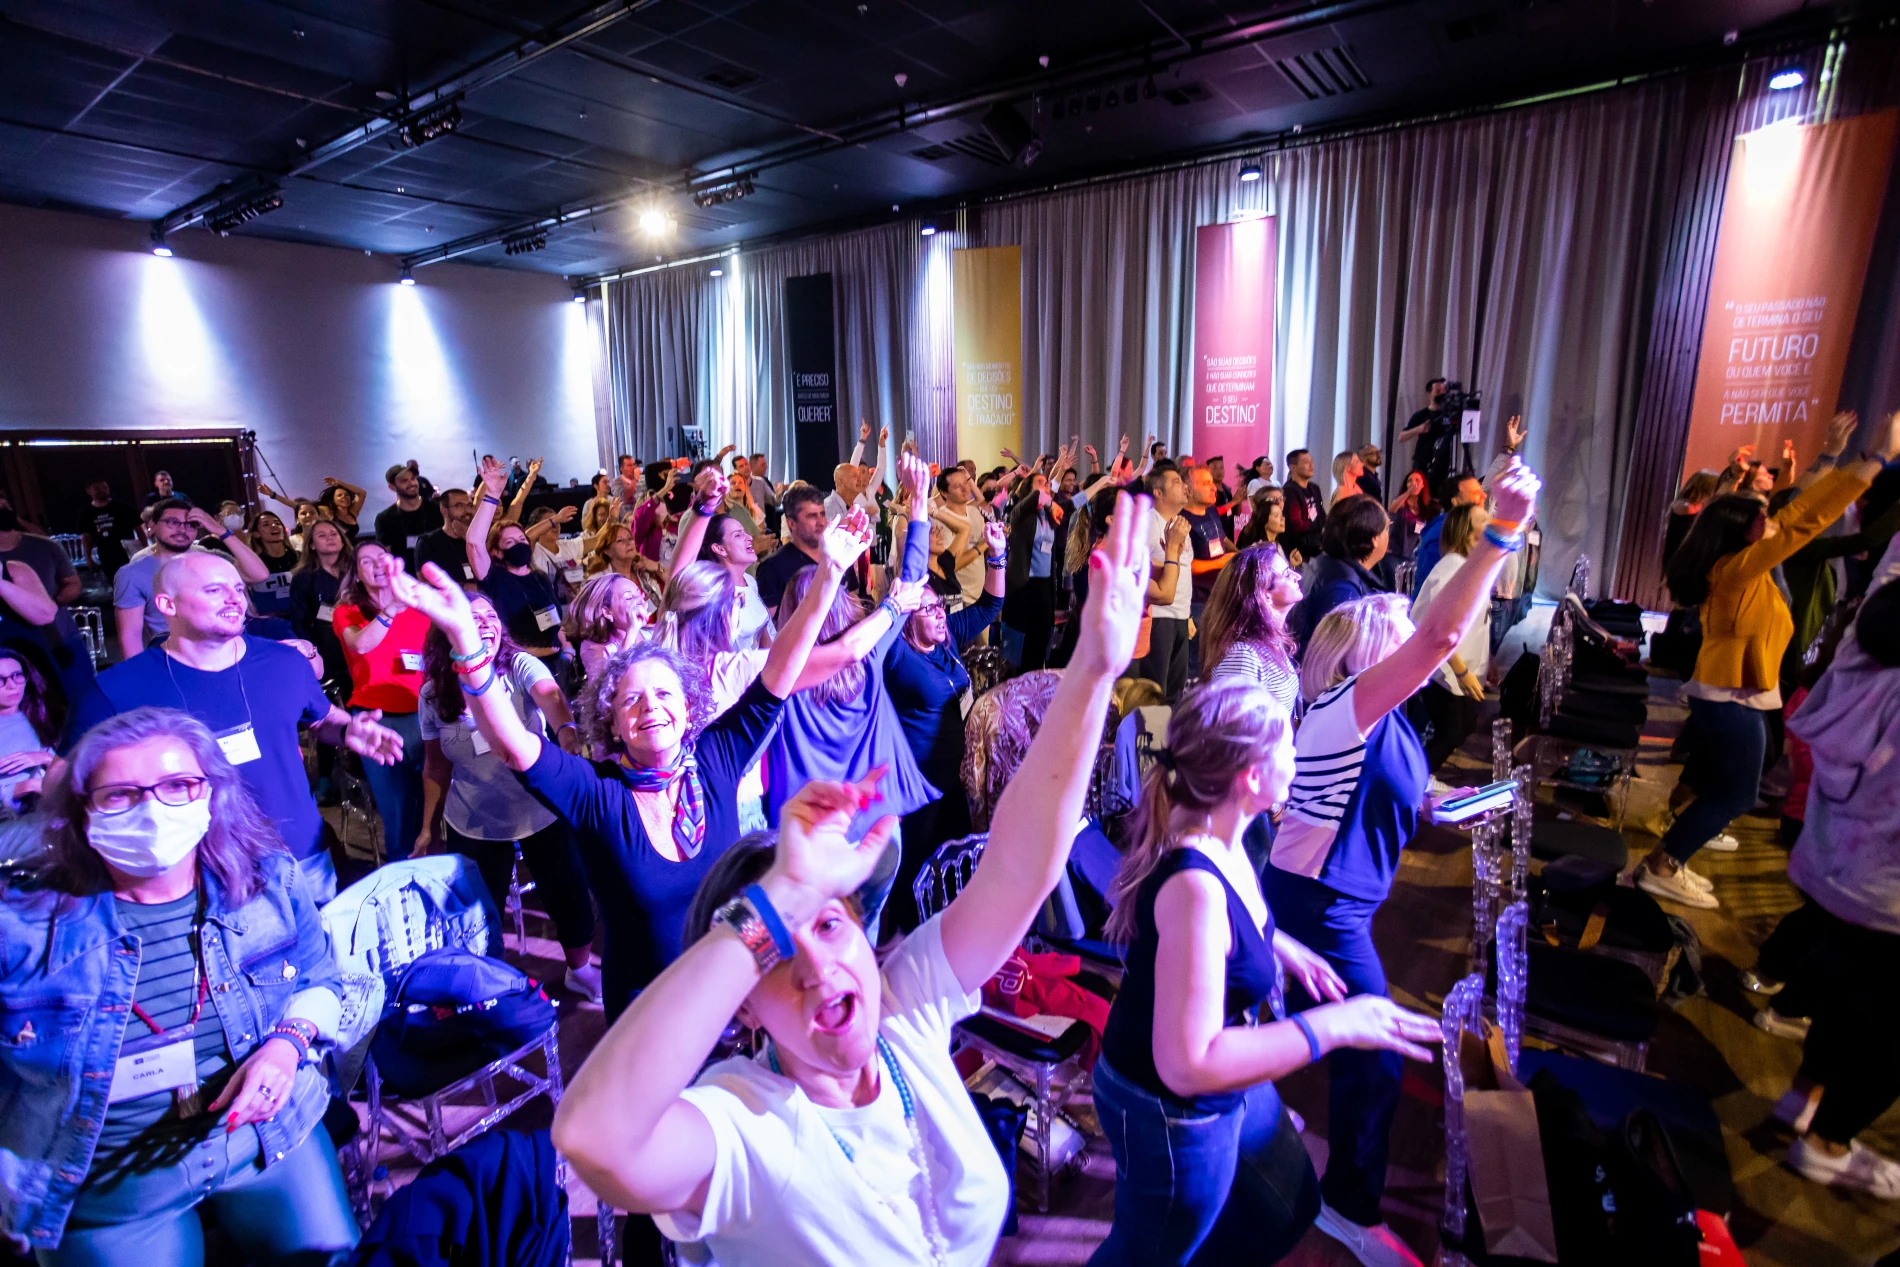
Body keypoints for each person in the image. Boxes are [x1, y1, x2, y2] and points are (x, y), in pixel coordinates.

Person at [546, 487, 1151, 1267]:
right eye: (776, 953)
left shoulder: (905, 1012)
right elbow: (594, 1136)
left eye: (830, 924)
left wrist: (1093, 671)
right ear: (744, 1007)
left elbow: (1020, 863)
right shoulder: (744, 1121)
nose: (818, 964)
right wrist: (783, 898)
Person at [389, 509, 873, 1022]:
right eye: (631, 700)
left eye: (664, 693)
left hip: (740, 986)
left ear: (688, 707)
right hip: (651, 1010)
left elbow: (780, 671)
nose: (651, 708)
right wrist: (469, 648)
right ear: (613, 724)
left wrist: (829, 574)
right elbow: (514, 747)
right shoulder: (598, 794)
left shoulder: (716, 759)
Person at [1264, 462, 1539, 1267]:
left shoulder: (1381, 722)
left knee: (1322, 1035)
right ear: (1366, 656)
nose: (1413, 646)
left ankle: (1266, 1127)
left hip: (1337, 897)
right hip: (1318, 904)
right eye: (1397, 637)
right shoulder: (1344, 706)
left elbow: (1396, 789)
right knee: (1376, 1057)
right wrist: (1502, 530)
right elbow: (1441, 636)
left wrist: (1442, 802)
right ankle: (1346, 1207)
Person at [1092, 680, 1442, 1266]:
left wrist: (1277, 944)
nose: (1298, 753)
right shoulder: (1195, 885)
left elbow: (1227, 921)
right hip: (1167, 1108)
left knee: (1288, 1205)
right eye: (1287, 745)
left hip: (1217, 1081)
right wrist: (1334, 1026)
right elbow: (1188, 1065)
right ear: (1251, 777)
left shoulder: (1230, 832)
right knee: (1147, 1255)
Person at [0, 708, 358, 1264]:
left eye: (177, 785)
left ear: (210, 793)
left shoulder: (267, 881)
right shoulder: (20, 927)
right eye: (120, 795)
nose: (152, 809)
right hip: (108, 1190)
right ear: (82, 809)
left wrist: (287, 1045)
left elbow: (321, 976)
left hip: (266, 1138)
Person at [1639, 414, 1899, 909]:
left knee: (1726, 786)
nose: (1772, 517)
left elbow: (1798, 510)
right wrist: (1877, 461)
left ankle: (1671, 853)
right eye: (1763, 515)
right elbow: (1805, 522)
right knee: (1737, 794)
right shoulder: (1738, 569)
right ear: (1747, 530)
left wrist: (1840, 455)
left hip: (1731, 693)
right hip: (1730, 696)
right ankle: (1662, 865)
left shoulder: (1736, 564)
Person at [70, 550, 404, 902]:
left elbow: (321, 719)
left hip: (301, 856)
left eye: (238, 589)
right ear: (168, 605)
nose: (235, 599)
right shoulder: (117, 689)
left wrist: (349, 730)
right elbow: (69, 781)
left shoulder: (284, 662)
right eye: (214, 590)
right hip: (198, 870)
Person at [1772, 557, 1900, 1197]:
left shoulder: (1859, 661)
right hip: (1886, 890)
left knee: (1847, 992)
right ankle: (1827, 1142)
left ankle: (1805, 1095)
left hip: (1833, 863)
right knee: (1886, 1029)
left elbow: (1886, 574)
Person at [418, 595, 600, 1000]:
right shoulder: (433, 694)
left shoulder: (518, 666)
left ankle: (580, 971)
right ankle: (487, 985)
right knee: (477, 913)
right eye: (473, 617)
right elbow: (435, 766)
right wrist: (427, 826)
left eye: (491, 616)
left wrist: (567, 732)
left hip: (541, 810)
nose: (486, 623)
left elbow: (551, 697)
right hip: (474, 819)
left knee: (569, 896)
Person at [883, 513, 1008, 932]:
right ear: (906, 618)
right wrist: (919, 512)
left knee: (955, 857)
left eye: (939, 606)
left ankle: (950, 932)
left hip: (959, 771)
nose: (939, 614)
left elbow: (990, 605)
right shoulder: (897, 655)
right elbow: (904, 591)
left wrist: (998, 555)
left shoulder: (947, 635)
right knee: (917, 864)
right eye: (928, 608)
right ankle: (904, 939)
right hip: (921, 779)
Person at [334, 541, 430, 865]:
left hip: (422, 714)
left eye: (382, 558)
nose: (377, 565)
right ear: (356, 574)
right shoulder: (347, 611)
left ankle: (434, 869)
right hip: (378, 719)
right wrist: (391, 610)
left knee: (432, 802)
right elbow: (361, 645)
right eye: (366, 561)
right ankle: (403, 873)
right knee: (397, 808)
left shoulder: (418, 609)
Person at [114, 500, 270, 659]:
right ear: (152, 525)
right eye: (172, 522)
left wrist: (221, 532)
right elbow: (130, 635)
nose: (182, 529)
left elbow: (259, 574)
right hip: (174, 654)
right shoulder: (133, 573)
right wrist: (139, 671)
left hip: (231, 646)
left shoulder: (210, 558)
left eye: (191, 524)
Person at [1410, 503, 1491, 771]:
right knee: (1451, 732)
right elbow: (1437, 626)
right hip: (1442, 670)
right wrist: (1461, 671)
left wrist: (1487, 659)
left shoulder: (1468, 566)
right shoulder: (1452, 568)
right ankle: (1416, 781)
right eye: (1483, 519)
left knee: (1463, 727)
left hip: (1455, 667)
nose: (1491, 521)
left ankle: (1419, 778)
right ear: (1467, 532)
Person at [467, 458, 564, 674]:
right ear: (497, 551)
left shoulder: (539, 578)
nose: (519, 545)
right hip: (517, 668)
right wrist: (492, 495)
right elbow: (474, 543)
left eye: (522, 540)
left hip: (556, 664)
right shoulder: (494, 579)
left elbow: (555, 621)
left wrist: (567, 649)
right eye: (510, 542)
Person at [672, 467, 774, 651]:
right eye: (738, 535)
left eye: (744, 532)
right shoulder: (711, 594)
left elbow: (764, 636)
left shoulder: (749, 581)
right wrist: (705, 503)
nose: (749, 538)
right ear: (719, 548)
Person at [1202, 543, 1302, 717]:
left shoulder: (1271, 642)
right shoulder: (1243, 656)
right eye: (1287, 574)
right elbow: (1232, 727)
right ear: (1264, 594)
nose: (1297, 576)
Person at [1289, 495, 1392, 651]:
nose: (1388, 535)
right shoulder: (1341, 590)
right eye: (1386, 528)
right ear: (1374, 539)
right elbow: (1339, 656)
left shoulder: (1327, 565)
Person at [756, 484, 865, 611]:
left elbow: (853, 602)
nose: (821, 522)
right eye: (812, 516)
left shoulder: (837, 554)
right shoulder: (773, 567)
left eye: (822, 514)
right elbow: (767, 621)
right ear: (791, 523)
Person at [1004, 463, 1067, 672]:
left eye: (1047, 484)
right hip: (1024, 585)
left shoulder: (1049, 515)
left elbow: (1073, 503)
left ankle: (1038, 678)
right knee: (1023, 644)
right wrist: (1046, 497)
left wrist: (1102, 482)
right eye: (1040, 483)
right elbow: (1036, 497)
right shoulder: (1021, 514)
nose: (1045, 487)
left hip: (1045, 584)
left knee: (1042, 637)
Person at [1138, 465, 1193, 699]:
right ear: (1158, 493)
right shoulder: (1148, 524)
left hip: (1179, 616)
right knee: (1154, 692)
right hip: (1158, 617)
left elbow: (1184, 570)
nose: (1184, 486)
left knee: (1175, 693)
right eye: (1176, 482)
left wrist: (1187, 615)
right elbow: (1136, 568)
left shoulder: (1179, 523)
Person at [1181, 464, 1236, 677]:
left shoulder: (1212, 511)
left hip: (1219, 598)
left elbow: (1222, 540)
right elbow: (1186, 565)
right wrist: (1221, 562)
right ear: (1188, 489)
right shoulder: (1182, 519)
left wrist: (1239, 554)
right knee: (1196, 665)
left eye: (1212, 482)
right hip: (1197, 602)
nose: (1214, 488)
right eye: (1206, 483)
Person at [288, 518, 354, 691]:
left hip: (359, 637)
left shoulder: (356, 570)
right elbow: (299, 620)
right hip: (326, 645)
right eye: (322, 535)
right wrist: (313, 653)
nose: (330, 538)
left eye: (334, 534)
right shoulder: (303, 577)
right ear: (311, 545)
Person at [564, 571, 652, 685]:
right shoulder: (594, 648)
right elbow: (610, 686)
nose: (639, 600)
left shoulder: (652, 635)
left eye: (639, 593)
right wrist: (632, 630)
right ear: (607, 612)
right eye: (629, 598)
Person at [0, 648, 59, 813]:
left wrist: (47, 758)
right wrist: (25, 787)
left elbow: (75, 772)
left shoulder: (44, 716)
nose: (12, 686)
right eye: (0, 680)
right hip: (13, 819)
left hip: (55, 808)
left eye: (17, 675)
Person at [1410, 473, 1485, 597]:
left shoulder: (1456, 529)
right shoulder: (1445, 531)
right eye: (1476, 493)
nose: (1484, 496)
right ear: (1456, 502)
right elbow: (1432, 583)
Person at [934, 465, 990, 606]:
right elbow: (949, 565)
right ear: (944, 493)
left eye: (965, 483)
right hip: (960, 597)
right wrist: (983, 545)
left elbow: (984, 553)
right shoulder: (941, 520)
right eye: (957, 486)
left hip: (981, 593)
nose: (965, 489)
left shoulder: (974, 512)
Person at [1398, 377, 1456, 490]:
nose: (1442, 394)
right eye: (1438, 391)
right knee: (1420, 491)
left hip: (1442, 462)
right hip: (1423, 460)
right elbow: (1401, 437)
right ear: (1429, 393)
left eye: (1444, 390)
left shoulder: (1450, 415)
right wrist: (1419, 429)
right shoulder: (1421, 415)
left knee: (1439, 492)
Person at [414, 487, 477, 585]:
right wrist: (462, 587)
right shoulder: (428, 542)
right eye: (459, 506)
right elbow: (425, 582)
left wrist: (468, 538)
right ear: (444, 511)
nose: (467, 510)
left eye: (470, 505)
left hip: (482, 593)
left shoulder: (478, 539)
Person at [243, 510, 299, 618]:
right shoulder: (253, 563)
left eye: (277, 523)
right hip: (269, 620)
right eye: (266, 524)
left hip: (300, 617)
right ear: (256, 534)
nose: (274, 526)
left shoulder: (299, 557)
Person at [80, 480, 140, 578]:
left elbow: (139, 529)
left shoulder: (123, 507)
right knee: (114, 581)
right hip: (106, 555)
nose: (102, 490)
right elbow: (86, 538)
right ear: (89, 491)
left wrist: (144, 549)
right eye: (97, 488)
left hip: (128, 552)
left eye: (104, 487)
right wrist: (88, 558)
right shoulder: (86, 513)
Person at [1282, 449, 1326, 562]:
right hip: (1297, 552)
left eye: (1312, 461)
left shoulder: (1314, 488)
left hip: (1316, 548)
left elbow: (1322, 515)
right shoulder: (1289, 491)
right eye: (1306, 462)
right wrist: (1318, 524)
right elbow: (1297, 525)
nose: (1311, 465)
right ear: (1293, 467)